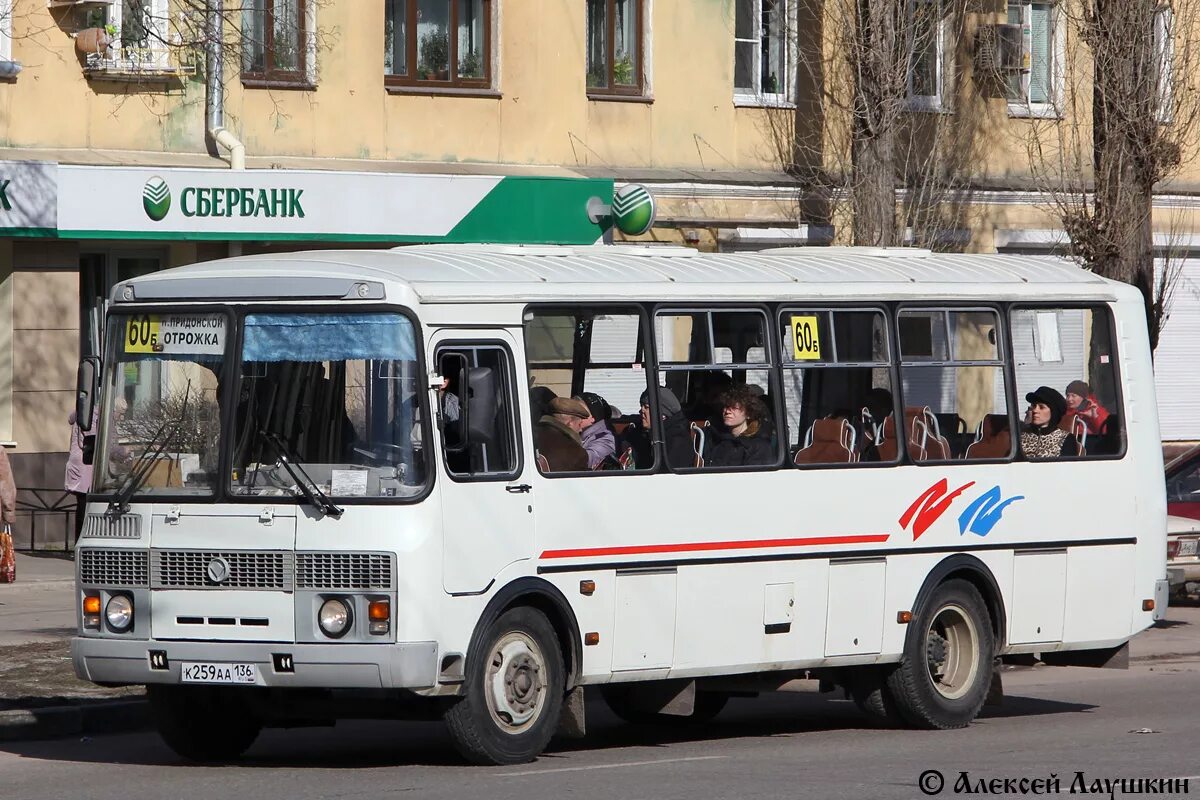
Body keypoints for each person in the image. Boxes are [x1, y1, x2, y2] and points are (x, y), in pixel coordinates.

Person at [704, 384, 775, 467]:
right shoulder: (718, 441)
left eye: (734, 407)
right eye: (726, 406)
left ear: (749, 413)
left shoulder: (759, 447)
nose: (727, 411)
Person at [534, 396, 589, 472]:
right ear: (570, 423)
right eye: (579, 424)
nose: (580, 429)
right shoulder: (576, 453)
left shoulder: (530, 434)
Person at [65, 408, 95, 543]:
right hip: (86, 464)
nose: (121, 417)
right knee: (84, 506)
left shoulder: (82, 413)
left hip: (77, 462)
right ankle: (82, 542)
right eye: (121, 413)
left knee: (81, 505)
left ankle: (79, 541)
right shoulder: (94, 416)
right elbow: (94, 440)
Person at [1020, 386, 1075, 459]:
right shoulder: (1022, 435)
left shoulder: (1065, 439)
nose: (1035, 411)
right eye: (1033, 406)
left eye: (1041, 407)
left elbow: (1068, 468)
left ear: (1053, 412)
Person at [576, 391, 615, 469]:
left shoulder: (606, 439)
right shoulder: (579, 434)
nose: (572, 414)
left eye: (578, 411)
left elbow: (585, 461)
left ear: (593, 418)